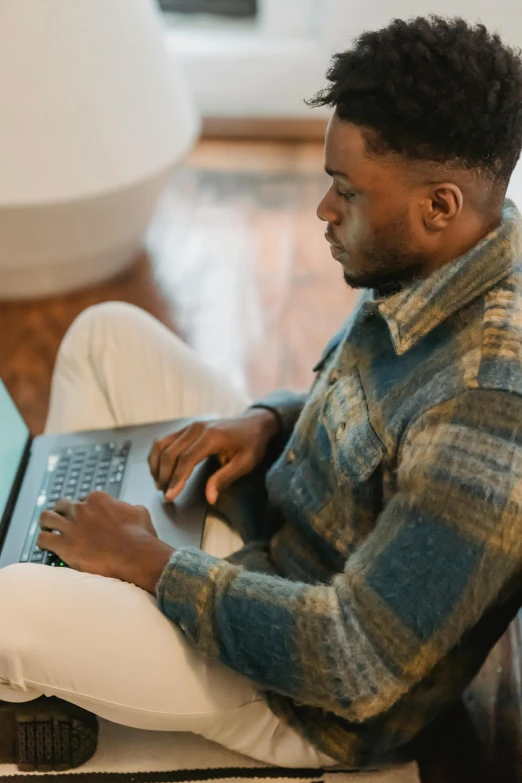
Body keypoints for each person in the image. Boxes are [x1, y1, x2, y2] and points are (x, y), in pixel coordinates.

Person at [2, 12, 522, 772]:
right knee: (105, 333)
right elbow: (378, 414)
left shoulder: (488, 412)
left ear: (438, 205)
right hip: (267, 526)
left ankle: (55, 618)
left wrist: (148, 561)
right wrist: (267, 420)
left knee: (8, 604)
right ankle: (66, 615)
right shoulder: (448, 253)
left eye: (347, 191)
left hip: (298, 692)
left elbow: (355, 661)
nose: (324, 210)